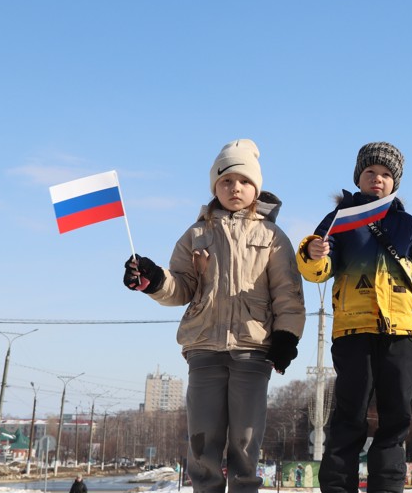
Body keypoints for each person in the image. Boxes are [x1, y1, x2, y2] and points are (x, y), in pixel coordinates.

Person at [122, 139, 306, 493]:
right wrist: (153, 280)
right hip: (204, 349)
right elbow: (181, 287)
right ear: (214, 187)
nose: (234, 188)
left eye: (243, 181)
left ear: (256, 187)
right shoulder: (196, 234)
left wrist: (286, 338)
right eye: (225, 181)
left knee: (245, 441)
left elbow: (288, 293)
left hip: (253, 351)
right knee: (202, 442)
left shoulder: (273, 236)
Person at [297, 142, 412, 493]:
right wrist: (312, 252)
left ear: (395, 183)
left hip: (403, 334)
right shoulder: (340, 220)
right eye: (370, 172)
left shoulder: (408, 225)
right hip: (352, 333)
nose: (378, 179)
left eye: (386, 174)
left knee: (396, 419)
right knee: (349, 417)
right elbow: (318, 271)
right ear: (358, 177)